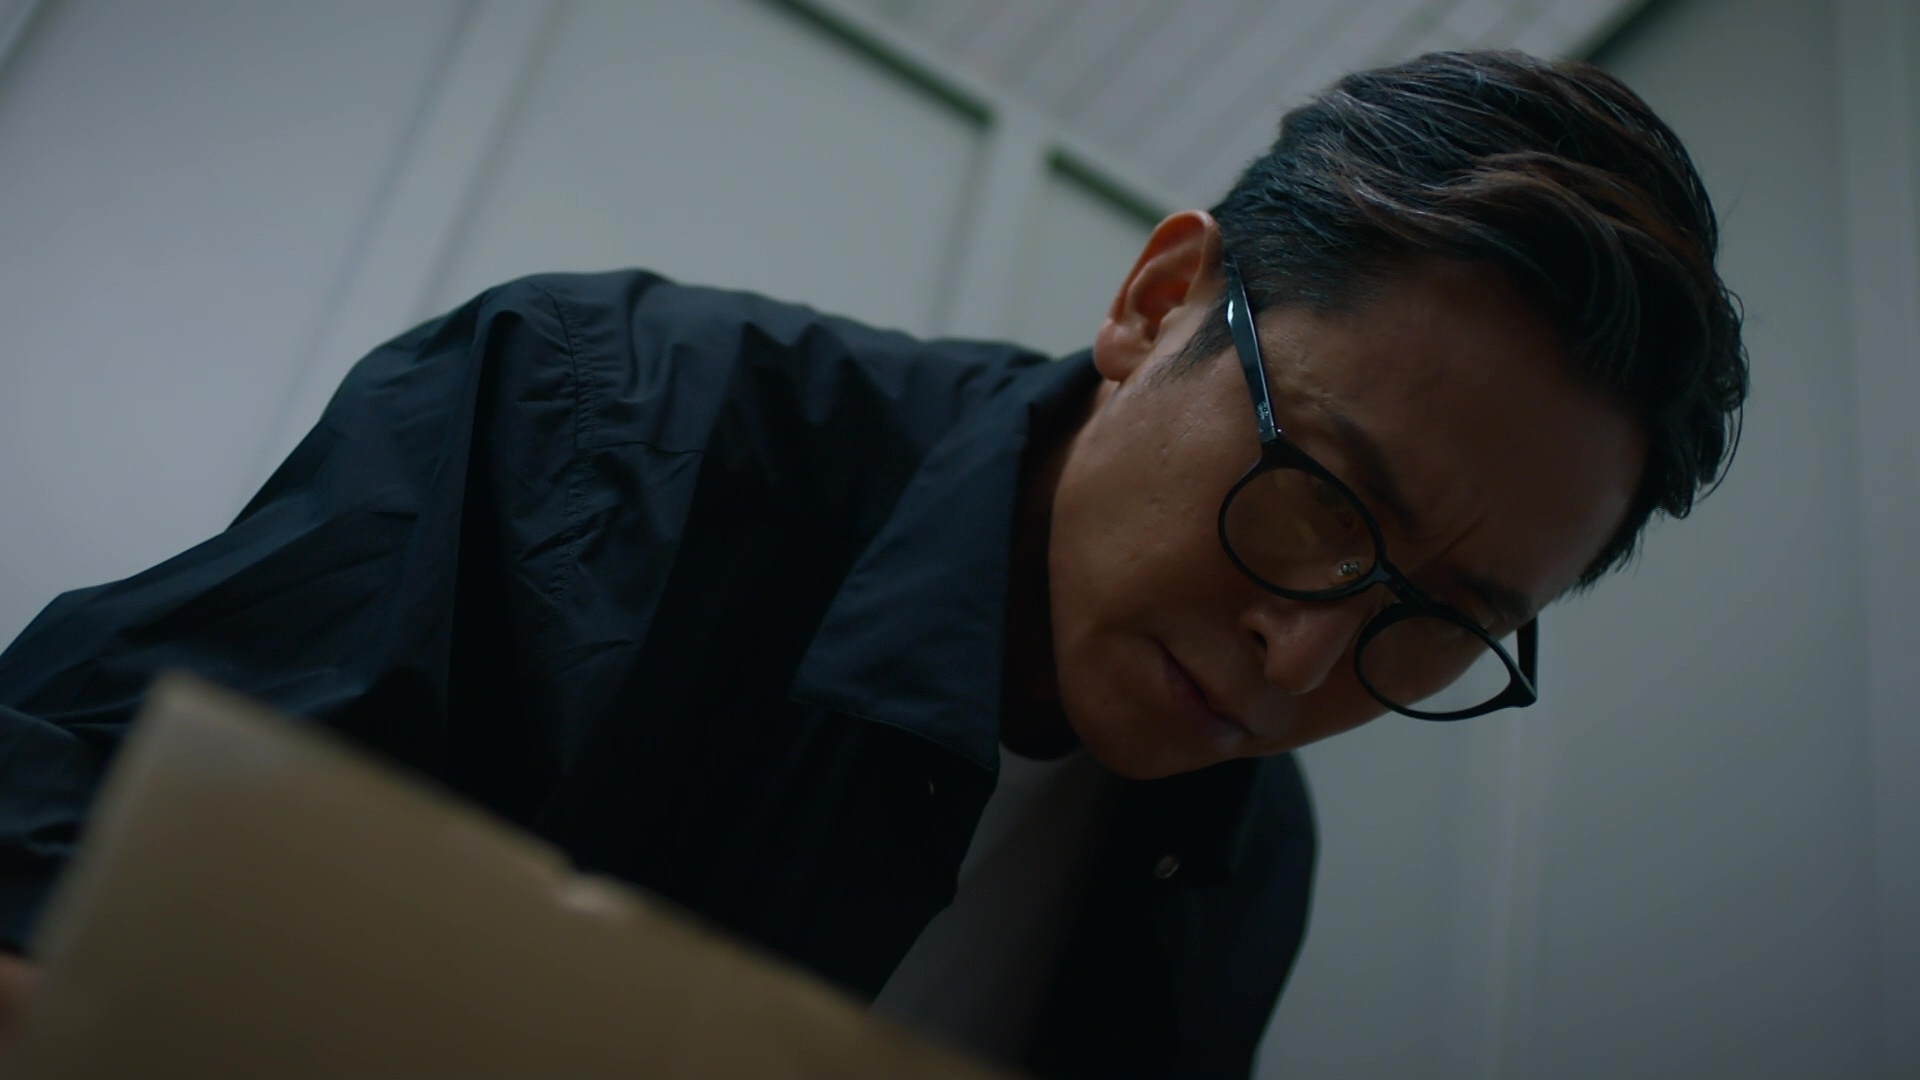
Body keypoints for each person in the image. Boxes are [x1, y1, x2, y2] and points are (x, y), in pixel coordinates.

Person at [0, 50, 1745, 1078]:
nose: (1302, 659)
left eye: (1435, 622)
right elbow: (42, 862)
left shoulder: (1243, 860)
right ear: (1157, 305)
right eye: (1320, 501)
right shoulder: (597, 421)